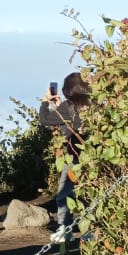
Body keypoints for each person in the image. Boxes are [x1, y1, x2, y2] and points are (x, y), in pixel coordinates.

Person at [39, 72, 90, 231]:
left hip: (73, 158)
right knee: (89, 194)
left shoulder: (67, 108)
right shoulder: (95, 106)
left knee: (64, 193)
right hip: (93, 158)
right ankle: (90, 230)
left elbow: (45, 119)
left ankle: (64, 228)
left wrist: (45, 101)